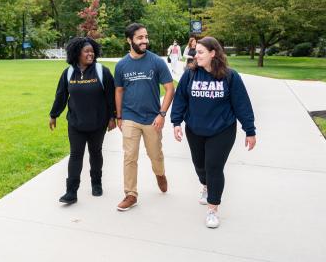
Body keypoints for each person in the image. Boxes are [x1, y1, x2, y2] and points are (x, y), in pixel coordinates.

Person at [170, 36, 256, 229]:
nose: (195, 55)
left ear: (213, 53)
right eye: (196, 52)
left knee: (214, 167)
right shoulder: (190, 75)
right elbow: (181, 99)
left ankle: (212, 209)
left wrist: (249, 130)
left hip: (222, 130)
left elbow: (242, 104)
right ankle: (205, 185)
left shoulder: (230, 76)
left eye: (200, 52)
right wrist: (176, 122)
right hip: (195, 129)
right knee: (200, 166)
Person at [114, 23, 175, 211]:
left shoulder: (156, 61)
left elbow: (169, 87)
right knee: (129, 156)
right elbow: (119, 91)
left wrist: (162, 114)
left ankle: (160, 174)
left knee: (155, 155)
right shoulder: (122, 65)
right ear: (129, 40)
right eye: (140, 38)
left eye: (146, 37)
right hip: (130, 117)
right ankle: (130, 194)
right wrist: (119, 116)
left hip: (152, 118)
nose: (145, 41)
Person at [49, 37, 116, 204]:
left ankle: (96, 183)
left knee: (95, 153)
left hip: (97, 123)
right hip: (76, 123)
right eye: (86, 51)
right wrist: (54, 115)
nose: (90, 54)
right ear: (77, 53)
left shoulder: (102, 71)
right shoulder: (69, 73)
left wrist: (112, 117)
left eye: (92, 51)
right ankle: (71, 191)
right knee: (75, 155)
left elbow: (111, 97)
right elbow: (61, 96)